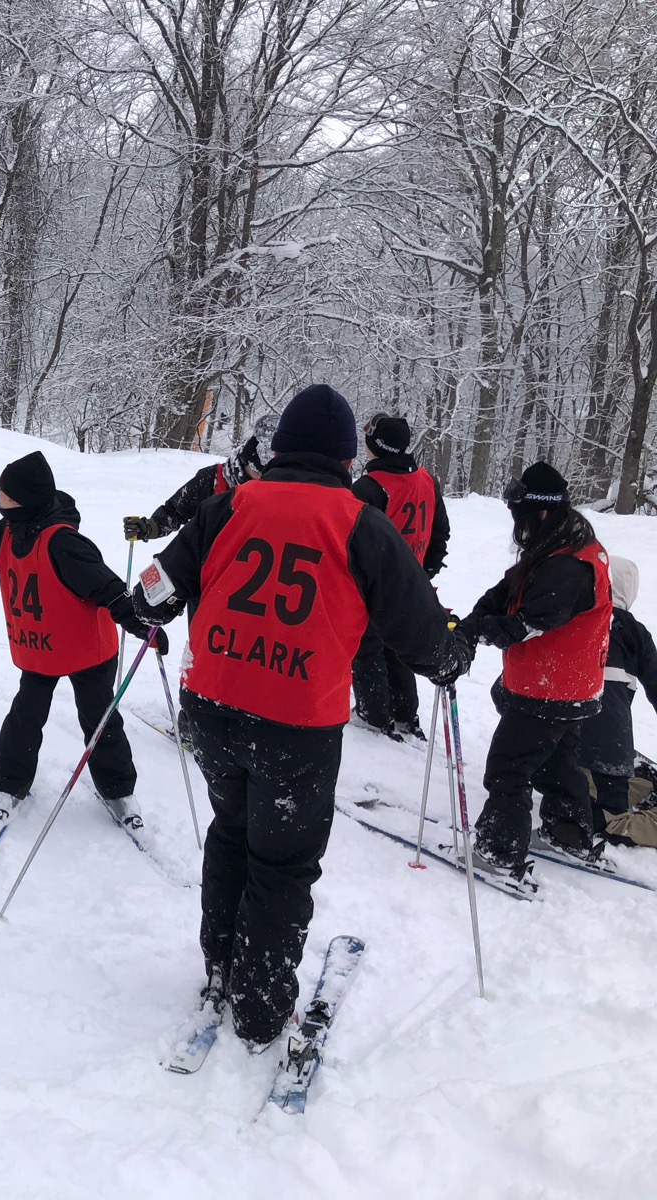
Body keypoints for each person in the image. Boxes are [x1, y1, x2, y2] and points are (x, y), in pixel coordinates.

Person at [132, 384, 471, 1048]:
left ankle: (222, 965)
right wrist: (453, 652)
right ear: (349, 459)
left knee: (231, 832)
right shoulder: (360, 524)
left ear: (281, 446)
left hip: (212, 708)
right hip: (293, 725)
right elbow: (423, 637)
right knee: (281, 863)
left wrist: (164, 600)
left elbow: (150, 596)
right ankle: (258, 1008)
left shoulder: (227, 506)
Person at [0, 451, 166, 822]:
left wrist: (143, 627)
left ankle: (119, 791)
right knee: (25, 717)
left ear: (23, 498)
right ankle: (10, 786)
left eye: (4, 492)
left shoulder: (65, 543)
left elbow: (111, 592)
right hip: (40, 650)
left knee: (99, 718)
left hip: (88, 651)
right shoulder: (6, 532)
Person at [458, 461, 613, 872]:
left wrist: (478, 632)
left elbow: (526, 623)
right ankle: (568, 833)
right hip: (570, 685)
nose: (518, 526)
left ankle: (500, 853)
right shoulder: (560, 543)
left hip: (549, 688)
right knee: (558, 764)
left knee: (509, 768)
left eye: (522, 516)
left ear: (540, 512)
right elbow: (511, 587)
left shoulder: (569, 566)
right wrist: (473, 619)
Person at [350, 414, 452, 741]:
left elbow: (349, 537)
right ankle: (406, 715)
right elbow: (441, 532)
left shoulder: (369, 487)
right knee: (399, 651)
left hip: (376, 584)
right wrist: (426, 572)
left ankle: (373, 715)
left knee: (368, 650)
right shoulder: (426, 480)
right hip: (411, 585)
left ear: (375, 446)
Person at [550, 556, 657, 839]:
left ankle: (580, 799)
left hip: (557, 742)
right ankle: (604, 819)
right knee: (612, 814)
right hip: (609, 748)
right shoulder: (633, 631)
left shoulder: (570, 619)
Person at [123, 413, 277, 543]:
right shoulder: (212, 479)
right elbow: (175, 512)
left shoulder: (283, 493)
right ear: (245, 461)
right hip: (209, 566)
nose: (263, 481)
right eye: (259, 472)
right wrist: (149, 527)